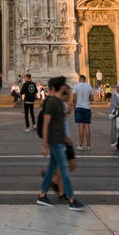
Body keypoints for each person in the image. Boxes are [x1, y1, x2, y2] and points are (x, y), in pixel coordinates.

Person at [36, 77, 85, 210]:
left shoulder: (57, 102)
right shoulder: (52, 102)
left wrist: (67, 113)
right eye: (64, 85)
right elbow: (46, 124)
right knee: (64, 169)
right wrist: (45, 145)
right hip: (55, 141)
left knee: (52, 168)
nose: (66, 87)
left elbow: (58, 122)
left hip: (58, 140)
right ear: (61, 87)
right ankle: (71, 199)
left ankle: (42, 195)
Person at [72, 74, 94, 150]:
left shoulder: (76, 86)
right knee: (87, 126)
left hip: (79, 107)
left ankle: (81, 145)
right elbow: (91, 99)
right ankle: (88, 146)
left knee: (81, 126)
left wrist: (74, 105)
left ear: (79, 79)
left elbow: (74, 98)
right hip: (87, 108)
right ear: (85, 80)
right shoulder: (89, 86)